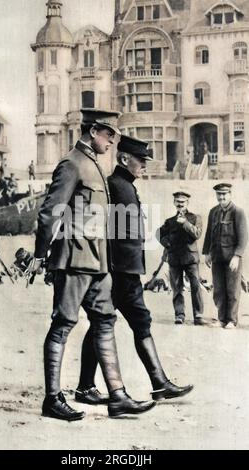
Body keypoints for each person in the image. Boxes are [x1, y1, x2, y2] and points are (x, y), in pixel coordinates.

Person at [25, 110, 156, 421]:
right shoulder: (72, 163)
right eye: (109, 135)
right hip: (73, 259)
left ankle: (118, 396)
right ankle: (52, 398)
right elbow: (50, 213)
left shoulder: (94, 164)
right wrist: (40, 254)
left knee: (105, 321)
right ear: (93, 130)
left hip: (97, 262)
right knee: (63, 324)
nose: (113, 142)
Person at [75, 135, 194, 405]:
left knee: (127, 322)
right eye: (141, 160)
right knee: (110, 324)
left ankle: (157, 382)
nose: (145, 165)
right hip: (118, 272)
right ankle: (90, 387)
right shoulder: (116, 185)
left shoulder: (124, 184)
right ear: (125, 158)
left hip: (126, 271)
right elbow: (106, 230)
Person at [203, 183, 248, 329]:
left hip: (231, 258)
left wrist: (237, 256)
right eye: (219, 194)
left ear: (230, 194)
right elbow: (209, 234)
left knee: (233, 289)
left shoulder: (238, 212)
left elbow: (243, 237)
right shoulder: (213, 212)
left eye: (224, 194)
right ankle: (221, 318)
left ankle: (232, 320)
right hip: (217, 256)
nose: (221, 197)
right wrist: (207, 253)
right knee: (218, 289)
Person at [157, 192, 205, 325]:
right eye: (177, 202)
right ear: (174, 203)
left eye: (182, 202)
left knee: (195, 287)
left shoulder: (195, 218)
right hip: (175, 259)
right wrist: (167, 243)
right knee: (177, 288)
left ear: (187, 203)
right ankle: (179, 315)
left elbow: (197, 234)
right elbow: (159, 234)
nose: (180, 204)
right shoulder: (170, 221)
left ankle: (198, 315)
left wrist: (185, 223)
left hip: (190, 259)